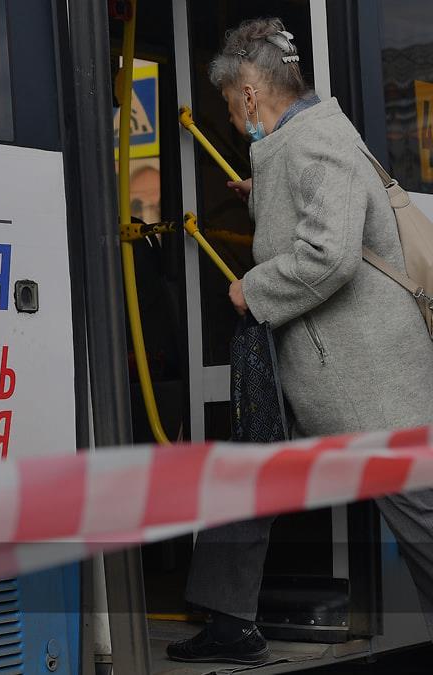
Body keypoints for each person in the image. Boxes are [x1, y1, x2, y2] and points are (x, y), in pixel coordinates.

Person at [167, 18, 433, 665]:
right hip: (310, 363)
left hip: (364, 375)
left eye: (230, 104)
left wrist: (252, 289)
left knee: (421, 512)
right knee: (243, 475)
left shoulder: (317, 139)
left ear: (250, 92)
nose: (234, 120)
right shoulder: (302, 140)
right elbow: (322, 209)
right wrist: (263, 192)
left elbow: (329, 255)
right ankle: (229, 622)